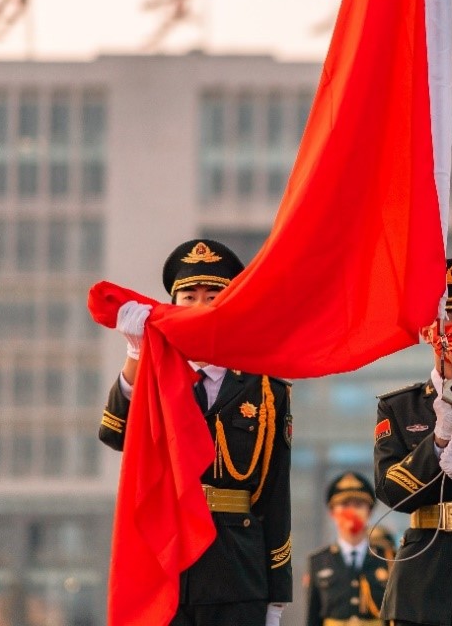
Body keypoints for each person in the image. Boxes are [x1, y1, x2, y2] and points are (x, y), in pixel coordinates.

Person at [98, 238, 293, 626]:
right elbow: (115, 433)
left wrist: (277, 596)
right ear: (173, 306)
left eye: (212, 297)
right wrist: (135, 356)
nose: (199, 307)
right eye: (189, 297)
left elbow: (275, 494)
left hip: (237, 569)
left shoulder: (266, 389)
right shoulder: (155, 377)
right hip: (167, 562)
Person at [373, 258, 452, 626]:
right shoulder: (399, 406)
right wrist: (436, 444)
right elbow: (390, 491)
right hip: (421, 585)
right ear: (427, 330)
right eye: (445, 315)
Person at [305, 472, 393, 626]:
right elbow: (313, 618)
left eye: (358, 505)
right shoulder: (318, 561)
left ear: (369, 512)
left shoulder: (389, 558)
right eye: (345, 505)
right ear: (332, 512)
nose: (351, 511)